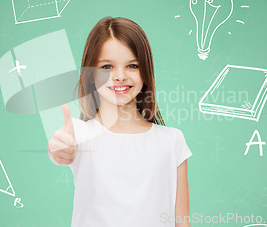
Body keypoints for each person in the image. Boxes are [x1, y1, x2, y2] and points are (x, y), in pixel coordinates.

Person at [48, 17, 192, 227]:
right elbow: (59, 149)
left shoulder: (172, 140)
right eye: (107, 66)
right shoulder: (80, 135)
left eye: (132, 65)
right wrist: (60, 149)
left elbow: (182, 222)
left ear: (145, 71)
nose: (120, 76)